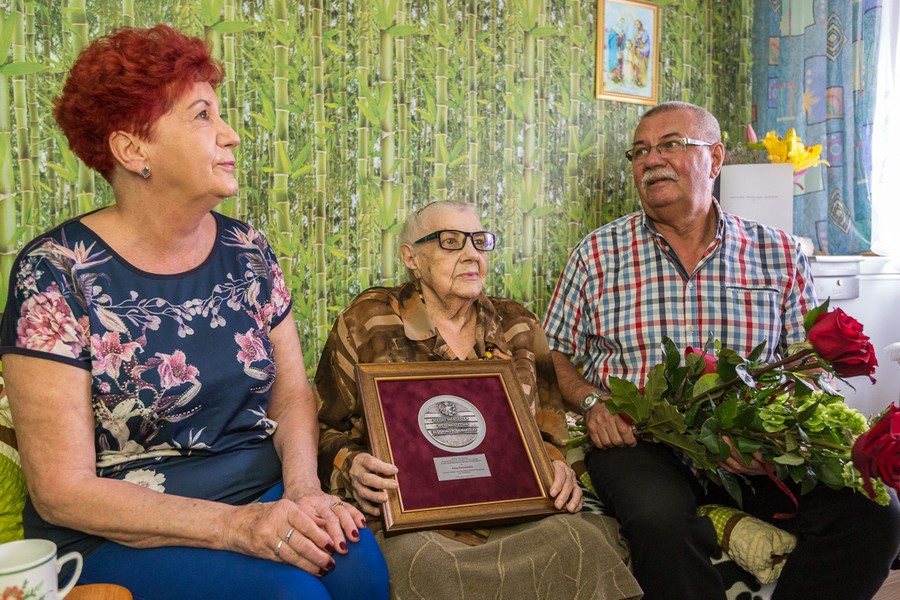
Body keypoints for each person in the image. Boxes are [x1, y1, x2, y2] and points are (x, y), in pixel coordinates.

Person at [0, 25, 388, 600]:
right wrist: (237, 528)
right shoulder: (54, 272)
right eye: (203, 115)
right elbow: (62, 490)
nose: (231, 135)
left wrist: (304, 491)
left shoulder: (247, 250)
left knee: (362, 571)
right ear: (133, 150)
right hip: (123, 530)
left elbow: (291, 394)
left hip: (263, 494)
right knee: (291, 596)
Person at [542, 101, 900, 600]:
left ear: (715, 158)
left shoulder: (779, 253)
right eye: (640, 151)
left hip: (750, 445)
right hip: (640, 440)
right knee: (659, 520)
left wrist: (769, 437)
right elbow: (551, 355)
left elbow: (810, 366)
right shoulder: (597, 254)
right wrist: (590, 402)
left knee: (875, 510)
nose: (651, 159)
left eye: (670, 144)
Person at [314, 201, 642, 600]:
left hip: (514, 511)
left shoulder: (518, 324)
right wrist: (351, 466)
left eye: (480, 242)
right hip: (416, 521)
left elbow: (549, 427)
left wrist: (557, 467)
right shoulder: (369, 320)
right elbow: (320, 427)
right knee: (424, 566)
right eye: (451, 241)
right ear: (411, 258)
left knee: (583, 543)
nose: (472, 254)